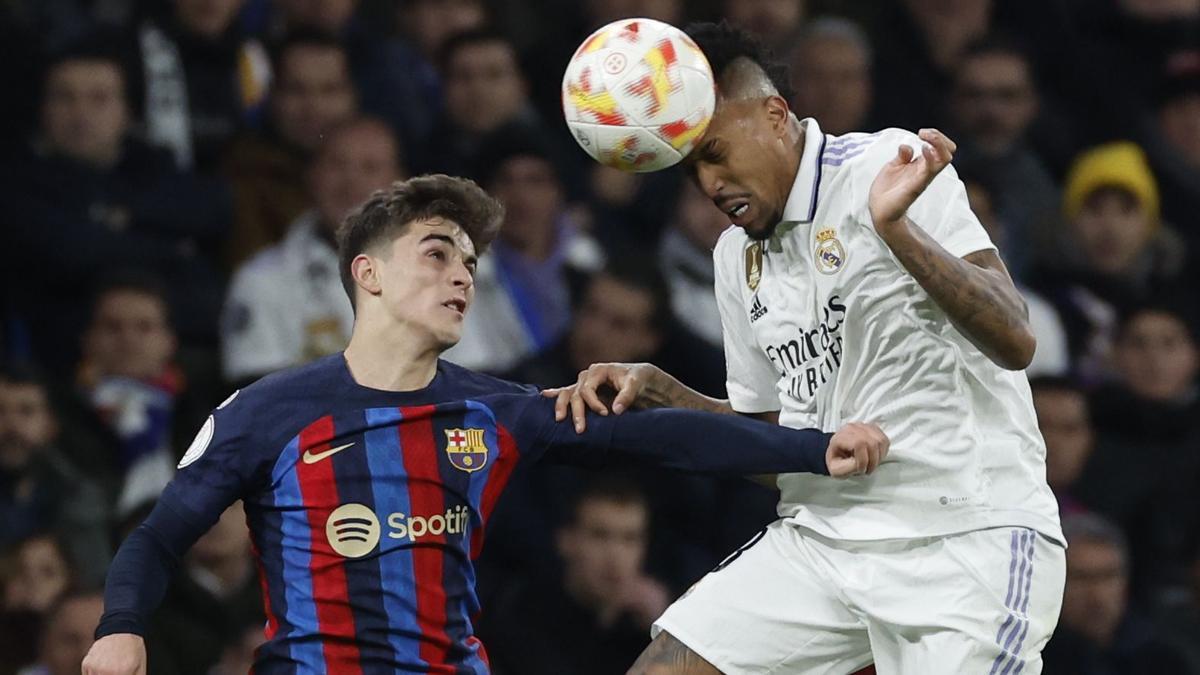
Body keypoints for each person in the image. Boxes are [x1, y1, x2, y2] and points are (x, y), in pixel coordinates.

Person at [82, 174, 889, 674]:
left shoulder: (498, 410)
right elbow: (157, 538)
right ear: (367, 274)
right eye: (437, 252)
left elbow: (669, 438)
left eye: (470, 261)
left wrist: (814, 446)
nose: (462, 273)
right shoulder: (264, 413)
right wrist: (120, 628)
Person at [554, 23, 1064, 673]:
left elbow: (1016, 338)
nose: (709, 184)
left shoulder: (886, 166)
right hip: (824, 543)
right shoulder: (735, 257)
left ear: (775, 116)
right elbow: (776, 444)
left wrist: (898, 232)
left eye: (715, 152)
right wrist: (667, 396)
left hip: (967, 540)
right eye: (690, 170)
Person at [222, 116, 405, 383]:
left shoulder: (440, 274)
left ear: (400, 184)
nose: (350, 181)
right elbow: (258, 400)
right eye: (337, 165)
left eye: (370, 168)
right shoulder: (261, 281)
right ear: (311, 176)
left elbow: (471, 377)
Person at [478, 473, 668, 674]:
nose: (615, 556)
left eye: (630, 538)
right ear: (567, 540)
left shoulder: (647, 630)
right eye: (600, 535)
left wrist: (665, 635)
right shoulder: (522, 619)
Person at [222, 31, 358, 265]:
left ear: (353, 97)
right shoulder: (243, 175)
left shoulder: (384, 172)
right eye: (296, 90)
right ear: (273, 96)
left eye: (329, 90)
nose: (313, 107)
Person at [1042, 512, 1194, 674]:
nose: (1097, 595)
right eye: (1081, 578)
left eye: (1108, 577)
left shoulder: (1163, 661)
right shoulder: (1030, 660)